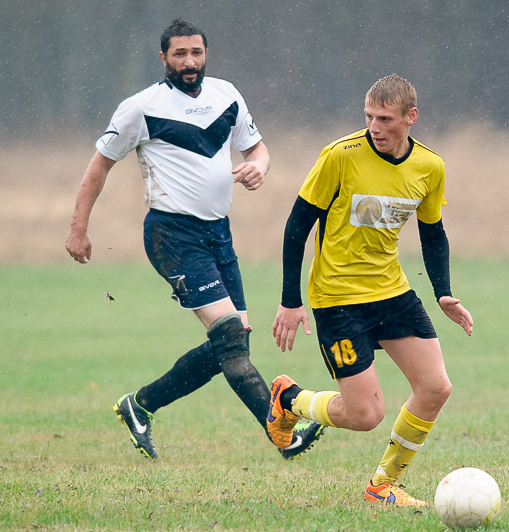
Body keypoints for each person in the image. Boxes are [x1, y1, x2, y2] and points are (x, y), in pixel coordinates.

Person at [65, 18, 323, 461]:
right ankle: (282, 432)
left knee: (234, 338)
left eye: (196, 53)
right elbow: (99, 167)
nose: (189, 62)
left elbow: (256, 148)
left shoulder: (227, 94)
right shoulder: (140, 108)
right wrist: (78, 228)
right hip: (172, 234)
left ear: (206, 55)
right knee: (227, 333)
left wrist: (260, 165)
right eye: (180, 54)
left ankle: (140, 404)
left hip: (218, 232)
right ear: (163, 57)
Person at [266, 74, 474, 506]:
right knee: (365, 416)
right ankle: (289, 399)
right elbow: (296, 226)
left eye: (385, 119)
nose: (374, 127)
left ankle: (382, 486)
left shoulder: (429, 167)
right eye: (368, 117)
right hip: (338, 300)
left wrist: (443, 293)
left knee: (436, 387)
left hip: (393, 293)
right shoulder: (340, 156)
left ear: (410, 118)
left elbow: (433, 234)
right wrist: (290, 300)